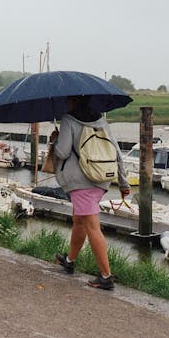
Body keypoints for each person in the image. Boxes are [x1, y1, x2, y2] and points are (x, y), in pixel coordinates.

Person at [50, 95, 130, 290]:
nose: (66, 102)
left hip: (82, 181)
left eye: (68, 99)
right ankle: (70, 261)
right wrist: (123, 182)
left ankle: (106, 276)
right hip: (102, 177)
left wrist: (55, 140)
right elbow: (116, 152)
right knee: (79, 220)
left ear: (73, 101)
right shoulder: (101, 119)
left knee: (92, 227)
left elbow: (62, 152)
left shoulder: (68, 119)